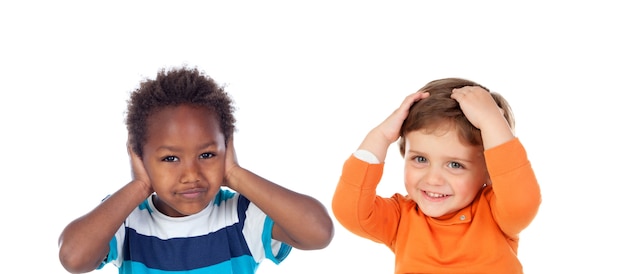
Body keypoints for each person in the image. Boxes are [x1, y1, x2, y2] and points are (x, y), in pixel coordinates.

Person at [58, 66, 334, 274]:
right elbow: (73, 258)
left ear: (227, 147)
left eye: (207, 154)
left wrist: (235, 174)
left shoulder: (241, 217)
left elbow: (318, 232)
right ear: (139, 155)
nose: (191, 174)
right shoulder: (128, 218)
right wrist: (140, 185)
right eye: (170, 159)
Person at [332, 78, 541, 273]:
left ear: (489, 170)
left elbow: (522, 200)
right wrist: (381, 135)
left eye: (455, 164)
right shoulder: (402, 217)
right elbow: (350, 211)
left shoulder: (496, 213)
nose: (433, 179)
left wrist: (491, 120)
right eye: (421, 159)